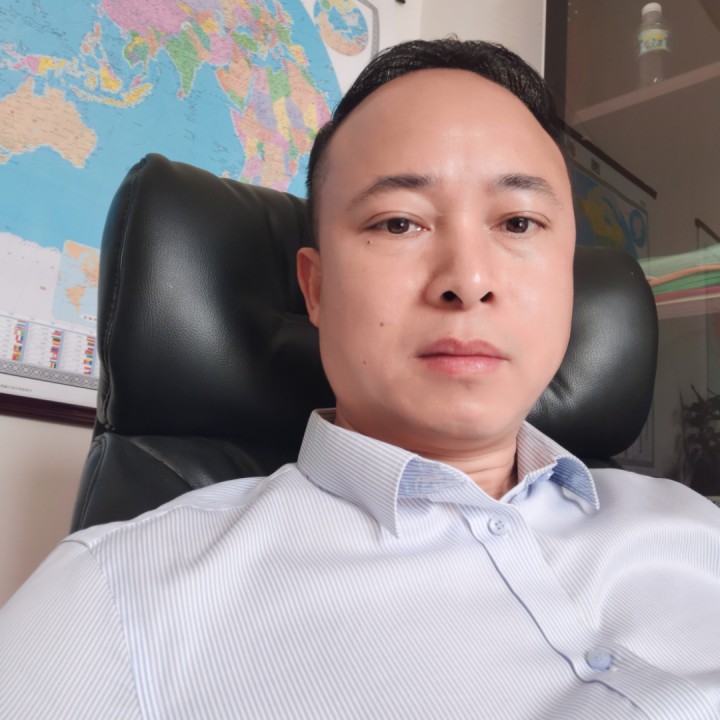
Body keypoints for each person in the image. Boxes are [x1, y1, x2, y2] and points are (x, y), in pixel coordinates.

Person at [2, 38, 719, 720]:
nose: (468, 279)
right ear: (315, 289)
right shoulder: (119, 598)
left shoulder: (693, 525)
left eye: (520, 223)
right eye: (400, 223)